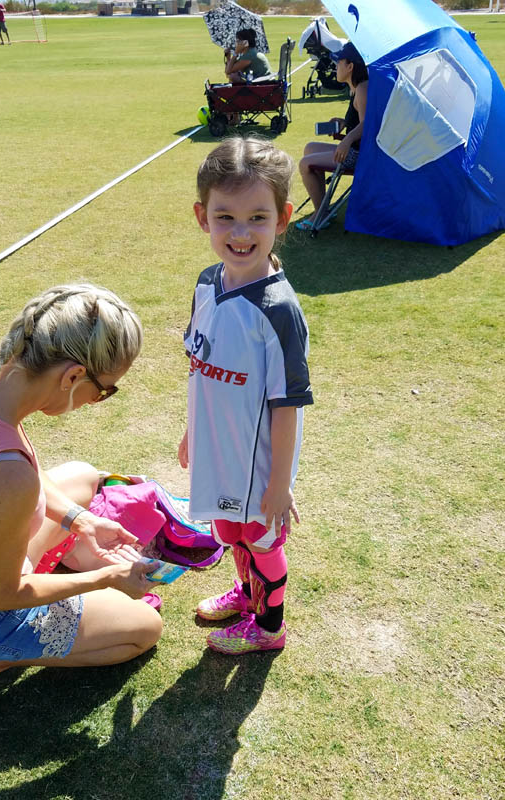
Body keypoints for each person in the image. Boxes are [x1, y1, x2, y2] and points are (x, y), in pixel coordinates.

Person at [0, 284, 163, 735]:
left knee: (82, 476)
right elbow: (1, 595)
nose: (96, 403)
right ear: (72, 376)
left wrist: (80, 521)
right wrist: (107, 579)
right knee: (144, 628)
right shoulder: (4, 477)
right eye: (104, 391)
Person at [178, 137, 313, 655]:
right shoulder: (207, 283)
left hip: (257, 461)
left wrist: (280, 484)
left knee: (262, 537)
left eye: (257, 217)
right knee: (231, 530)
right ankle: (247, 593)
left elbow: (287, 407)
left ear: (282, 219)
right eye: (225, 216)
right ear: (201, 216)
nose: (240, 232)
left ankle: (270, 626)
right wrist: (193, 430)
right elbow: (201, 365)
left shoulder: (278, 311)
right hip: (219, 446)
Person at [296, 42, 368, 230]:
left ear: (350, 66)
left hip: (358, 155)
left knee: (305, 164)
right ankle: (323, 207)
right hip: (353, 149)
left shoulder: (362, 89)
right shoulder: (356, 88)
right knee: (310, 147)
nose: (335, 66)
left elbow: (367, 125)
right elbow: (358, 119)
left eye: (339, 63)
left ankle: (320, 214)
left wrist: (347, 139)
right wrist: (344, 123)